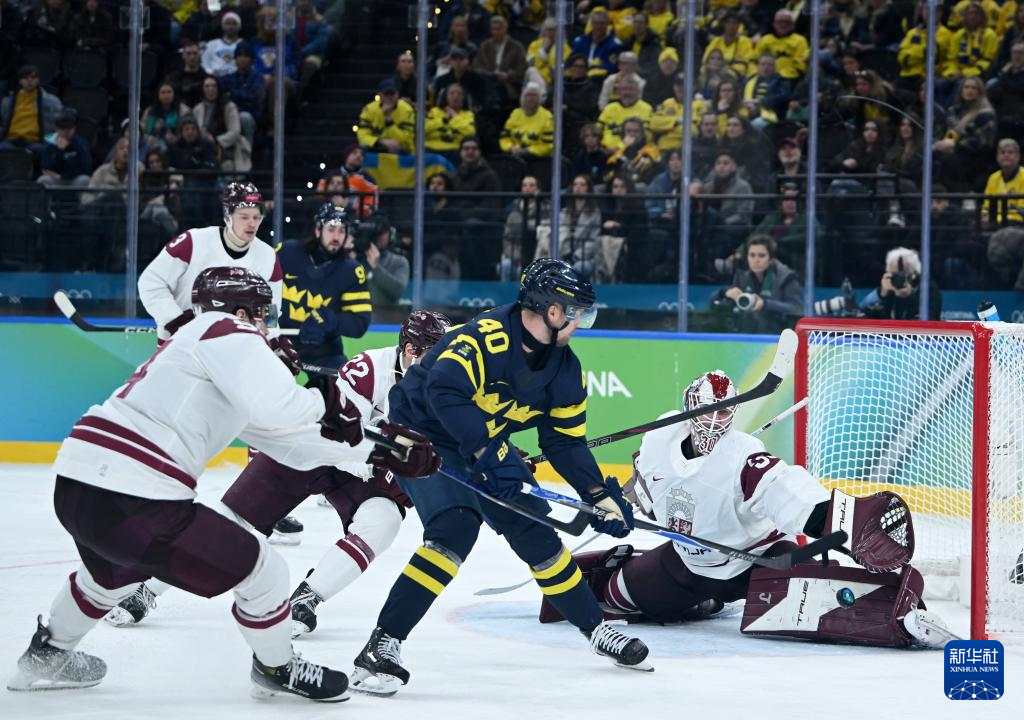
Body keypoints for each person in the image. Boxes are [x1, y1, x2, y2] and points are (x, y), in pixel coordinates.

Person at [5, 267, 366, 700]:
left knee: (110, 574)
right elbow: (281, 409)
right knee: (265, 572)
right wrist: (324, 399)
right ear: (240, 311)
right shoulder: (228, 328)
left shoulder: (196, 347)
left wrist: (369, 454)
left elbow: (287, 442)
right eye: (263, 315)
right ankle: (277, 668)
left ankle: (46, 656)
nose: (267, 327)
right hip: (137, 492)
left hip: (78, 482)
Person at [349, 259, 652, 697]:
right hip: (419, 431)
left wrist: (597, 492)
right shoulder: (485, 338)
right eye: (577, 313)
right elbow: (443, 391)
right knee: (454, 528)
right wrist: (487, 453)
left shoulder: (565, 369)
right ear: (551, 310)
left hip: (481, 439)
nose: (580, 324)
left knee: (535, 532)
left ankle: (595, 628)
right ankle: (381, 645)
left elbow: (564, 442)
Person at [539, 369, 950, 650]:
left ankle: (902, 616)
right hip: (686, 564)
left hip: (754, 563)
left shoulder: (745, 457)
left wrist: (845, 522)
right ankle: (701, 603)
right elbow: (645, 489)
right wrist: (615, 505)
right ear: (688, 407)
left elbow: (786, 490)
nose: (714, 420)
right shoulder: (659, 437)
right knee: (616, 594)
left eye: (723, 412)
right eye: (707, 410)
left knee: (815, 597)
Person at [110, 310, 447, 638]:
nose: (444, 366)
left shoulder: (447, 389)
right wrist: (383, 461)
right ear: (410, 350)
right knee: (230, 522)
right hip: (311, 449)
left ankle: (307, 599)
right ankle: (147, 587)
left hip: (364, 464)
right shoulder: (369, 370)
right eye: (437, 355)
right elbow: (335, 437)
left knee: (384, 521)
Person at [277, 203, 372, 368]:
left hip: (324, 350)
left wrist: (329, 319)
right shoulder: (286, 252)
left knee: (341, 384)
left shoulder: (352, 271)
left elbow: (359, 323)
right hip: (279, 344)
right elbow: (261, 288)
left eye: (342, 231)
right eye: (331, 229)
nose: (336, 237)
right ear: (317, 230)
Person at [709, 235, 803, 333]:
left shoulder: (786, 277)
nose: (756, 260)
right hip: (746, 336)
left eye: (761, 256)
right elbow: (712, 303)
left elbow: (796, 309)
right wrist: (725, 292)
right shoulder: (742, 277)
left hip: (778, 336)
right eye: (752, 255)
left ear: (771, 259)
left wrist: (765, 304)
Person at [859, 246, 941, 320]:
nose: (898, 279)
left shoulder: (928, 289)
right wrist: (881, 295)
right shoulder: (887, 287)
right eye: (894, 274)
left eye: (903, 275)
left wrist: (910, 297)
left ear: (914, 274)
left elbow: (927, 321)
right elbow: (861, 313)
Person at [0, 65, 63, 156]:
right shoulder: (8, 101)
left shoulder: (51, 101)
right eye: (25, 78)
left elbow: (58, 122)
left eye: (33, 77)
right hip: (11, 140)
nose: (29, 80)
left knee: (42, 150)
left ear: (38, 80)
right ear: (20, 81)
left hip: (35, 141)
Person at [192, 76, 251, 173]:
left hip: (226, 149)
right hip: (202, 147)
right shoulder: (197, 109)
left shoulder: (229, 106)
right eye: (207, 86)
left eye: (214, 86)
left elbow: (235, 132)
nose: (211, 89)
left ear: (218, 88)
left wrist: (215, 140)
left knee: (228, 166)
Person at [220, 41, 265, 146]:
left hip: (251, 116)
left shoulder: (258, 78)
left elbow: (254, 99)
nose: (243, 59)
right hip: (230, 114)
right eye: (239, 56)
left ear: (251, 59)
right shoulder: (227, 78)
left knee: (244, 117)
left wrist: (232, 96)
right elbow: (222, 97)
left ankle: (247, 149)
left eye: (246, 56)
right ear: (235, 59)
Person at [362, 212, 411, 308]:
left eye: (383, 232)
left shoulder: (399, 262)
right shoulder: (356, 259)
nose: (379, 237)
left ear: (391, 234)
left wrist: (375, 267)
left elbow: (397, 291)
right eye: (376, 232)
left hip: (387, 315)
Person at [37, 109, 91, 190]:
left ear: (74, 129)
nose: (66, 132)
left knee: (85, 180)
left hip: (73, 179)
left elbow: (86, 168)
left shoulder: (81, 144)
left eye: (69, 129)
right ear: (57, 129)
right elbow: (46, 168)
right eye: (62, 129)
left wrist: (63, 176)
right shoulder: (49, 144)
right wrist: (60, 151)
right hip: (56, 180)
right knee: (43, 180)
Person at [357, 78, 415, 154]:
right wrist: (380, 142)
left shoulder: (407, 110)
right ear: (380, 95)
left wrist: (389, 119)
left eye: (392, 94)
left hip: (401, 149)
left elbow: (405, 139)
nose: (390, 97)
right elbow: (362, 136)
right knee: (362, 146)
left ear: (397, 94)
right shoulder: (369, 109)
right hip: (377, 146)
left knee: (395, 147)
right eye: (386, 94)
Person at [597, 75, 653, 152]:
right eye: (624, 89)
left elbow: (646, 136)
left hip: (633, 152)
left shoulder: (646, 108)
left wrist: (620, 148)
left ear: (638, 92)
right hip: (605, 152)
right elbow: (597, 131)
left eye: (631, 89)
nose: (627, 92)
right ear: (618, 92)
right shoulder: (609, 108)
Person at [500, 81, 553, 159]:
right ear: (523, 98)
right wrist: (510, 147)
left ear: (539, 98)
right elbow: (504, 138)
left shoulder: (547, 116)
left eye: (534, 96)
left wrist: (528, 151)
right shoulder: (515, 114)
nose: (530, 99)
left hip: (538, 159)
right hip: (515, 157)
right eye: (528, 95)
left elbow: (549, 146)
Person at [166, 41, 210, 109]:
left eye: (195, 53)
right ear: (183, 55)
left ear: (199, 55)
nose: (192, 57)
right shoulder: (173, 78)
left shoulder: (207, 78)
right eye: (188, 53)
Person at [201, 11, 244, 78]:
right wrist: (211, 72)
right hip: (214, 79)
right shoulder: (212, 44)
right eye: (227, 23)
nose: (230, 27)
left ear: (239, 26)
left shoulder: (243, 44)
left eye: (234, 23)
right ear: (222, 26)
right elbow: (204, 63)